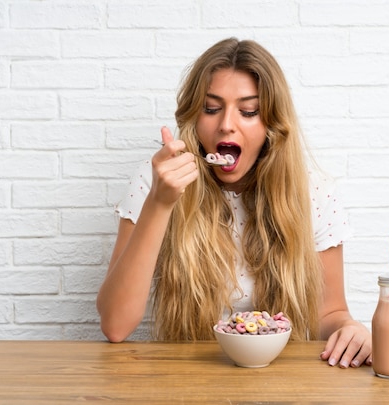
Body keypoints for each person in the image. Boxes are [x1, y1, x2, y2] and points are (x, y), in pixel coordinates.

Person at [96, 38, 372, 369]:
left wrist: (348, 328)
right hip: (185, 376)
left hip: (282, 377)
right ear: (194, 119)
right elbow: (115, 325)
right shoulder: (156, 180)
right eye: (211, 109)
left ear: (272, 124)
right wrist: (159, 203)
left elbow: (329, 313)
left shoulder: (313, 192)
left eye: (249, 111)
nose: (227, 123)